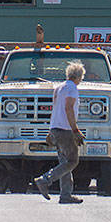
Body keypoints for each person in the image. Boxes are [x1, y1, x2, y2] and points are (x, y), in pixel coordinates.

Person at [33, 61, 85, 204]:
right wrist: (75, 130)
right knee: (72, 161)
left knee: (64, 162)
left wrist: (50, 131)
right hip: (65, 130)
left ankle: (65, 195)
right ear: (78, 77)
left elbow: (55, 109)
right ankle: (45, 180)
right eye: (81, 77)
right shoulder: (72, 88)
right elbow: (68, 108)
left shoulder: (59, 88)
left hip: (56, 128)